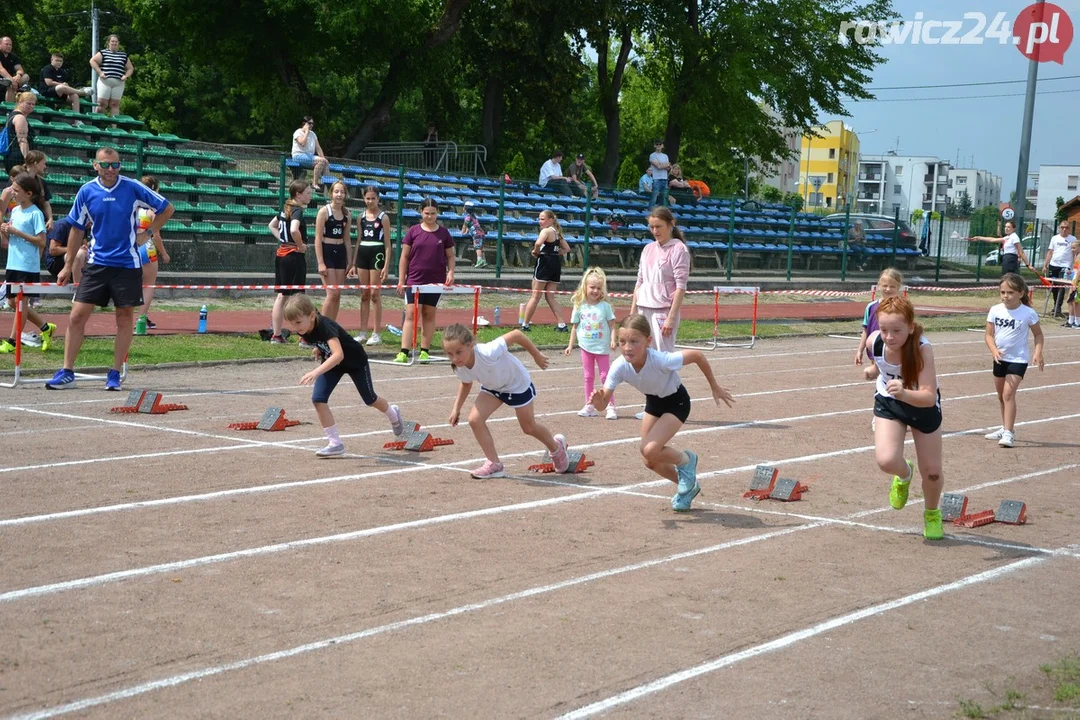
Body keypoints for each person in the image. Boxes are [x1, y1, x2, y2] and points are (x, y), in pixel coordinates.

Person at [46, 147, 174, 390]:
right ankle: (67, 371)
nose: (111, 170)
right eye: (105, 165)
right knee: (76, 316)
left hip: (127, 264)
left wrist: (147, 233)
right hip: (96, 264)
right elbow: (76, 228)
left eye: (115, 165)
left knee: (124, 317)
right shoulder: (87, 191)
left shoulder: (132, 186)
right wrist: (67, 265)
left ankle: (114, 373)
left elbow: (167, 208)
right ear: (96, 165)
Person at [590, 314, 735, 512]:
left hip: (677, 402)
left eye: (634, 342)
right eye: (622, 341)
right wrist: (599, 402)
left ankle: (687, 460)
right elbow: (602, 404)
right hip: (654, 403)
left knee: (649, 449)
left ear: (648, 341)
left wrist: (714, 386)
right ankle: (688, 487)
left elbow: (698, 356)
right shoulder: (619, 366)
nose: (627, 347)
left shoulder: (661, 360)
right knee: (650, 460)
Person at [862, 296, 945, 541]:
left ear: (910, 327)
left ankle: (932, 514)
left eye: (896, 331)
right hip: (890, 403)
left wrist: (906, 392)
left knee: (932, 470)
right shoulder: (874, 341)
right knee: (886, 460)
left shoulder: (922, 349)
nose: (889, 336)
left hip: (921, 407)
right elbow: (882, 362)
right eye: (884, 329)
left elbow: (929, 397)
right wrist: (873, 370)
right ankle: (904, 474)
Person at [282, 294, 405, 456]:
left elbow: (338, 354)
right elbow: (323, 343)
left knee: (370, 399)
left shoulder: (325, 325)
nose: (296, 328)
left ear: (312, 316)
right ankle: (335, 443)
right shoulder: (304, 328)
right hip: (334, 364)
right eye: (292, 325)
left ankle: (392, 413)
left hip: (355, 362)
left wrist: (316, 372)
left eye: (298, 323)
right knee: (318, 399)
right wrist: (318, 348)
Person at [443, 323, 569, 478]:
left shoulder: (489, 351)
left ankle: (556, 448)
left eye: (458, 352)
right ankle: (494, 464)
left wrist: (536, 355)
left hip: (517, 384)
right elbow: (465, 383)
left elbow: (516, 334)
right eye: (449, 354)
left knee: (528, 427)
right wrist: (456, 408)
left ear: (471, 345)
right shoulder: (460, 366)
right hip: (493, 388)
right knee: (475, 420)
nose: (454, 358)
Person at [982, 273, 1044, 448]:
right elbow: (988, 335)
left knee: (1009, 394)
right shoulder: (995, 310)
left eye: (1009, 292)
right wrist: (994, 350)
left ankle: (1009, 433)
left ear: (1021, 293)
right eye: (1002, 292)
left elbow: (1038, 335)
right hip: (1000, 358)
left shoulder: (1028, 313)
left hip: (1018, 359)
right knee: (1002, 396)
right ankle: (1004, 427)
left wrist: (1038, 352)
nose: (1005, 296)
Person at [0, 173, 57, 354]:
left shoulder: (35, 214)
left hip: (27, 265)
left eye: (16, 191)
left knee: (21, 303)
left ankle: (12, 341)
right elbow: (15, 235)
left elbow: (41, 241)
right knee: (11, 302)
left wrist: (16, 232)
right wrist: (6, 231)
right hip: (13, 263)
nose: (13, 194)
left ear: (29, 193)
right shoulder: (15, 211)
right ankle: (45, 328)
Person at [395, 198, 455, 363]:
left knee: (429, 314)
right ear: (421, 212)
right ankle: (404, 351)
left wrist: (451, 272)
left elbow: (450, 256)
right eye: (426, 213)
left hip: (436, 281)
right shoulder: (413, 231)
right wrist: (401, 279)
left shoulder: (444, 233)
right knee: (411, 314)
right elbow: (404, 257)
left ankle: (424, 351)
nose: (429, 216)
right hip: (414, 279)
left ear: (437, 213)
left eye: (433, 213)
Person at [630, 206, 690, 353]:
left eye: (659, 226)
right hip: (643, 308)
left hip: (663, 311)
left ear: (671, 224)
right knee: (640, 354)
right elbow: (640, 282)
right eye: (652, 227)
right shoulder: (648, 249)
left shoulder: (679, 249)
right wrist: (633, 312)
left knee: (662, 356)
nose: (655, 231)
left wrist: (671, 317)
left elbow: (680, 287)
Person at [564, 267, 617, 419]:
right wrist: (570, 345)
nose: (595, 291)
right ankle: (589, 405)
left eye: (598, 288)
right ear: (585, 287)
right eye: (592, 287)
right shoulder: (579, 306)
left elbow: (613, 325)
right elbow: (574, 327)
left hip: (601, 347)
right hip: (585, 347)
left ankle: (610, 405)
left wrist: (613, 340)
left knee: (605, 376)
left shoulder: (605, 307)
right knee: (588, 376)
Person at [267, 180, 312, 344]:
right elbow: (294, 229)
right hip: (294, 256)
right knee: (299, 297)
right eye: (308, 193)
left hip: (281, 255)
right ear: (298, 195)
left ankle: (276, 335)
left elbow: (272, 225)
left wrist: (282, 239)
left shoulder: (285, 208)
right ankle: (304, 337)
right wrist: (300, 245)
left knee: (282, 296)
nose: (310, 196)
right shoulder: (297, 210)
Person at [349, 185, 390, 346]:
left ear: (378, 199)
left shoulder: (383, 218)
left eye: (373, 198)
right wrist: (353, 262)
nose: (370, 201)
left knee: (375, 294)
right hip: (363, 256)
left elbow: (387, 244)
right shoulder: (361, 217)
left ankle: (376, 332)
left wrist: (386, 266)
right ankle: (363, 331)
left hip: (377, 255)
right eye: (368, 198)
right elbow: (358, 240)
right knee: (364, 294)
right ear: (364, 199)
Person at [521, 209, 570, 333]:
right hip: (555, 264)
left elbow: (538, 243)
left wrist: (535, 251)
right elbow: (567, 248)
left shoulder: (546, 231)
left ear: (550, 220)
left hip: (544, 263)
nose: (540, 221)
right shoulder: (557, 232)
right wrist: (558, 252)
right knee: (550, 296)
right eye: (539, 219)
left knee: (535, 296)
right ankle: (562, 324)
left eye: (542, 219)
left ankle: (525, 324)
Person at [133, 175, 171, 330]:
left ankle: (135, 317)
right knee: (148, 285)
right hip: (146, 247)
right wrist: (164, 253)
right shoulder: (152, 211)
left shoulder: (132, 206)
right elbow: (156, 236)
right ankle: (141, 319)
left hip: (131, 246)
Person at [313, 180, 352, 322]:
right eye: (336, 191)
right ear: (331, 194)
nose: (339, 195)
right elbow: (317, 238)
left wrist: (350, 261)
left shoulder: (347, 214)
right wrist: (320, 262)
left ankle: (332, 327)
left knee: (338, 294)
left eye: (342, 192)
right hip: (327, 251)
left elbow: (347, 239)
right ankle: (320, 326)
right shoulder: (324, 212)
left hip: (340, 252)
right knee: (331, 293)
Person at [855, 268, 903, 366]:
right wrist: (860, 350)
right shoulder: (871, 307)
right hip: (875, 353)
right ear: (879, 285)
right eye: (885, 286)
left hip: (895, 354)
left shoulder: (902, 307)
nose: (888, 289)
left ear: (898, 287)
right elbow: (866, 330)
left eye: (892, 286)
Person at [89, 35, 133, 117]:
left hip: (118, 83)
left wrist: (126, 76)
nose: (114, 43)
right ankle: (97, 124)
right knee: (102, 103)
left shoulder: (123, 55)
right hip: (105, 81)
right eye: (112, 41)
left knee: (115, 104)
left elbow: (130, 68)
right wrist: (100, 72)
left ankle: (114, 127)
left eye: (116, 41)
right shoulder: (103, 52)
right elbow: (92, 61)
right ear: (108, 42)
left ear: (118, 43)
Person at [1043, 220, 1076, 319]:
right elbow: (1050, 252)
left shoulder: (1072, 239)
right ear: (1059, 228)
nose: (1064, 229)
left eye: (1066, 228)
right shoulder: (1054, 238)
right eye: (1062, 227)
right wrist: (1045, 265)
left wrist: (1075, 267)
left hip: (1065, 266)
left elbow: (1074, 254)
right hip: (1054, 264)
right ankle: (1055, 304)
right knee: (1053, 286)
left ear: (1069, 229)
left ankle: (1058, 307)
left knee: (1061, 286)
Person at [291, 116, 328, 192]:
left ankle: (328, 185)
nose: (311, 125)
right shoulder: (298, 132)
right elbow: (302, 143)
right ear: (304, 123)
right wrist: (306, 132)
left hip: (309, 157)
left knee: (324, 162)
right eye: (309, 123)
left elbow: (318, 148)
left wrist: (323, 158)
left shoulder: (313, 134)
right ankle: (314, 184)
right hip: (298, 156)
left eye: (312, 123)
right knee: (321, 161)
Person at [3, 92, 36, 173]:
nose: (31, 106)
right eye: (28, 103)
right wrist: (28, 160)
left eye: (33, 104)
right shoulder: (20, 118)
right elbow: (22, 141)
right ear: (20, 102)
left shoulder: (12, 115)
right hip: (19, 157)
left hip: (12, 156)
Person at [45, 216, 84, 284]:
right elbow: (53, 250)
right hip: (55, 261)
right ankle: (78, 289)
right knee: (79, 254)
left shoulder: (83, 226)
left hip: (70, 257)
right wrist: (74, 249)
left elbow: (83, 244)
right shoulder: (62, 225)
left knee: (84, 254)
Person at [0, 37, 30, 103]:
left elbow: (20, 69)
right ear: (0, 45)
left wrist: (19, 75)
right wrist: (12, 80)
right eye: (6, 44)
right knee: (11, 83)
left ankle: (9, 107)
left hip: (9, 81)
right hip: (2, 80)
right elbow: (1, 69)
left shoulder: (13, 57)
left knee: (26, 76)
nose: (9, 46)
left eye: (10, 45)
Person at [460, 200, 488, 268]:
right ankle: (483, 261)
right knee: (481, 247)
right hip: (481, 232)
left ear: (465, 209)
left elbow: (465, 225)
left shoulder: (467, 217)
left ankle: (479, 260)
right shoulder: (473, 216)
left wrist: (462, 232)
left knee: (477, 247)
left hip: (476, 234)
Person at [648, 139, 670, 207]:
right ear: (654, 145)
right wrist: (664, 165)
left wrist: (662, 165)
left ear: (662, 146)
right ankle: (650, 213)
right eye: (657, 144)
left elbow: (668, 167)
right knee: (654, 198)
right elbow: (658, 166)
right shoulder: (652, 155)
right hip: (656, 179)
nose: (658, 145)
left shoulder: (665, 156)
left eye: (660, 144)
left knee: (663, 199)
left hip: (664, 179)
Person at [1066, 240, 1080, 329]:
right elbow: (1075, 270)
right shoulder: (1076, 256)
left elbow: (1079, 271)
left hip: (1077, 281)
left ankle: (1078, 322)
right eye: (1071, 248)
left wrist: (1075, 282)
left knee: (1076, 302)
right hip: (1074, 280)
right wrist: (1070, 272)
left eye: (1074, 248)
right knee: (1069, 300)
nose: (1072, 250)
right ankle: (1071, 320)